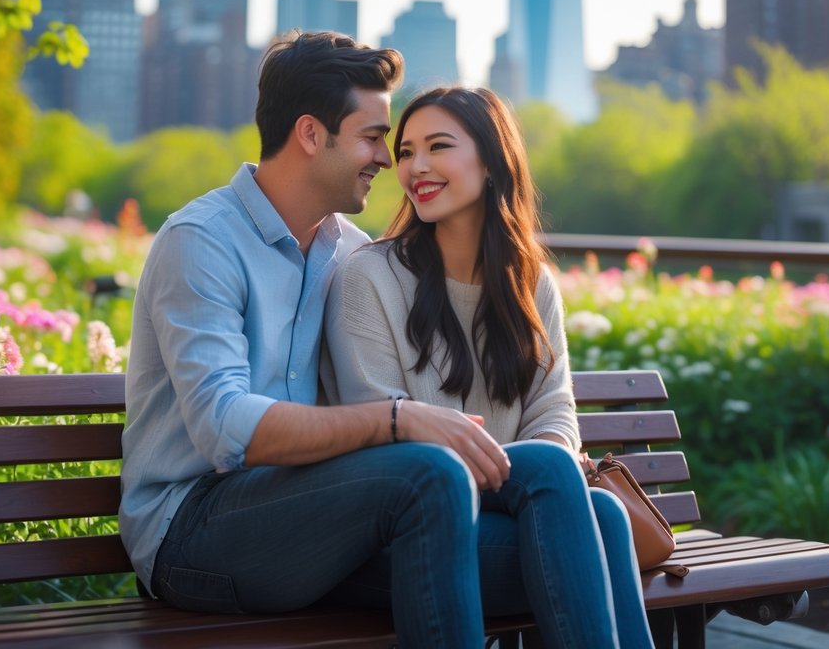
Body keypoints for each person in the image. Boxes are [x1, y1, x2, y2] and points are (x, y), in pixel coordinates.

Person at [120, 32, 524, 648]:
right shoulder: (201, 241)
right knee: (429, 471)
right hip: (192, 532)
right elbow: (224, 427)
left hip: (317, 521)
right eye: (372, 136)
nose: (387, 159)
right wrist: (394, 420)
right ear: (312, 135)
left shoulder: (352, 255)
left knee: (580, 530)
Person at [322, 86, 656, 648]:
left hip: (504, 518)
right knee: (573, 492)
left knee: (604, 510)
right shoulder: (371, 277)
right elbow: (381, 430)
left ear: (492, 160)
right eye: (405, 152)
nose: (415, 167)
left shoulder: (532, 284)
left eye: (438, 147)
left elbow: (554, 407)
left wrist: (534, 459)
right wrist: (529, 467)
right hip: (404, 531)